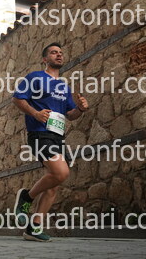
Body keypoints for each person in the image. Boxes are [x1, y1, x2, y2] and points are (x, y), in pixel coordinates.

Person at [12, 42, 89, 242]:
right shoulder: (35, 77)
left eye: (61, 53)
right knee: (61, 172)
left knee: (54, 183)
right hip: (39, 134)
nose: (59, 55)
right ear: (45, 59)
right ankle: (27, 197)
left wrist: (80, 109)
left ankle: (34, 228)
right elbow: (18, 98)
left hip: (57, 136)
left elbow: (70, 115)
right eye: (54, 52)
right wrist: (35, 113)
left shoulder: (64, 87)